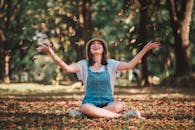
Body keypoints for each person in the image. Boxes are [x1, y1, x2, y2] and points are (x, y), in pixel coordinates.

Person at [37, 38, 160, 118]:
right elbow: (67, 68)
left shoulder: (111, 64)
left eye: (99, 43)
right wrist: (51, 53)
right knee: (85, 107)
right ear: (89, 50)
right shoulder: (83, 64)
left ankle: (89, 115)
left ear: (103, 49)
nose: (96, 45)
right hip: (90, 104)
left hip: (109, 104)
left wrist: (145, 49)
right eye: (93, 44)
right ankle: (121, 116)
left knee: (119, 105)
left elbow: (130, 65)